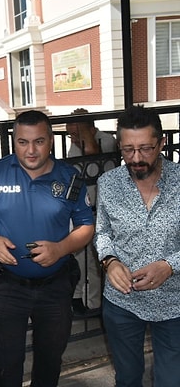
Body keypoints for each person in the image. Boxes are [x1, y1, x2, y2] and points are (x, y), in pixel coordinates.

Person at [0, 110, 94, 387]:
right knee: (6, 364)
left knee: (49, 363)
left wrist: (60, 248)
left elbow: (86, 225)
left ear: (50, 140)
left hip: (55, 287)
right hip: (8, 286)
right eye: (22, 142)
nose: (31, 150)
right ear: (14, 141)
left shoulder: (69, 177)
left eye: (38, 141)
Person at [94, 105, 180, 387]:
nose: (136, 158)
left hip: (174, 303)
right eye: (128, 150)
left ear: (161, 143)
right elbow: (103, 232)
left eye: (145, 148)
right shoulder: (107, 183)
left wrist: (170, 265)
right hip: (122, 302)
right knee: (128, 379)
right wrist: (110, 261)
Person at [66, 108, 117, 318]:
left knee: (96, 261)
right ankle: (78, 298)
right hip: (80, 209)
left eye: (76, 133)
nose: (74, 139)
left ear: (90, 129)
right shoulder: (74, 146)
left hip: (100, 210)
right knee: (78, 256)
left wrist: (86, 134)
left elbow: (95, 160)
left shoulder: (105, 141)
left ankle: (93, 303)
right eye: (71, 135)